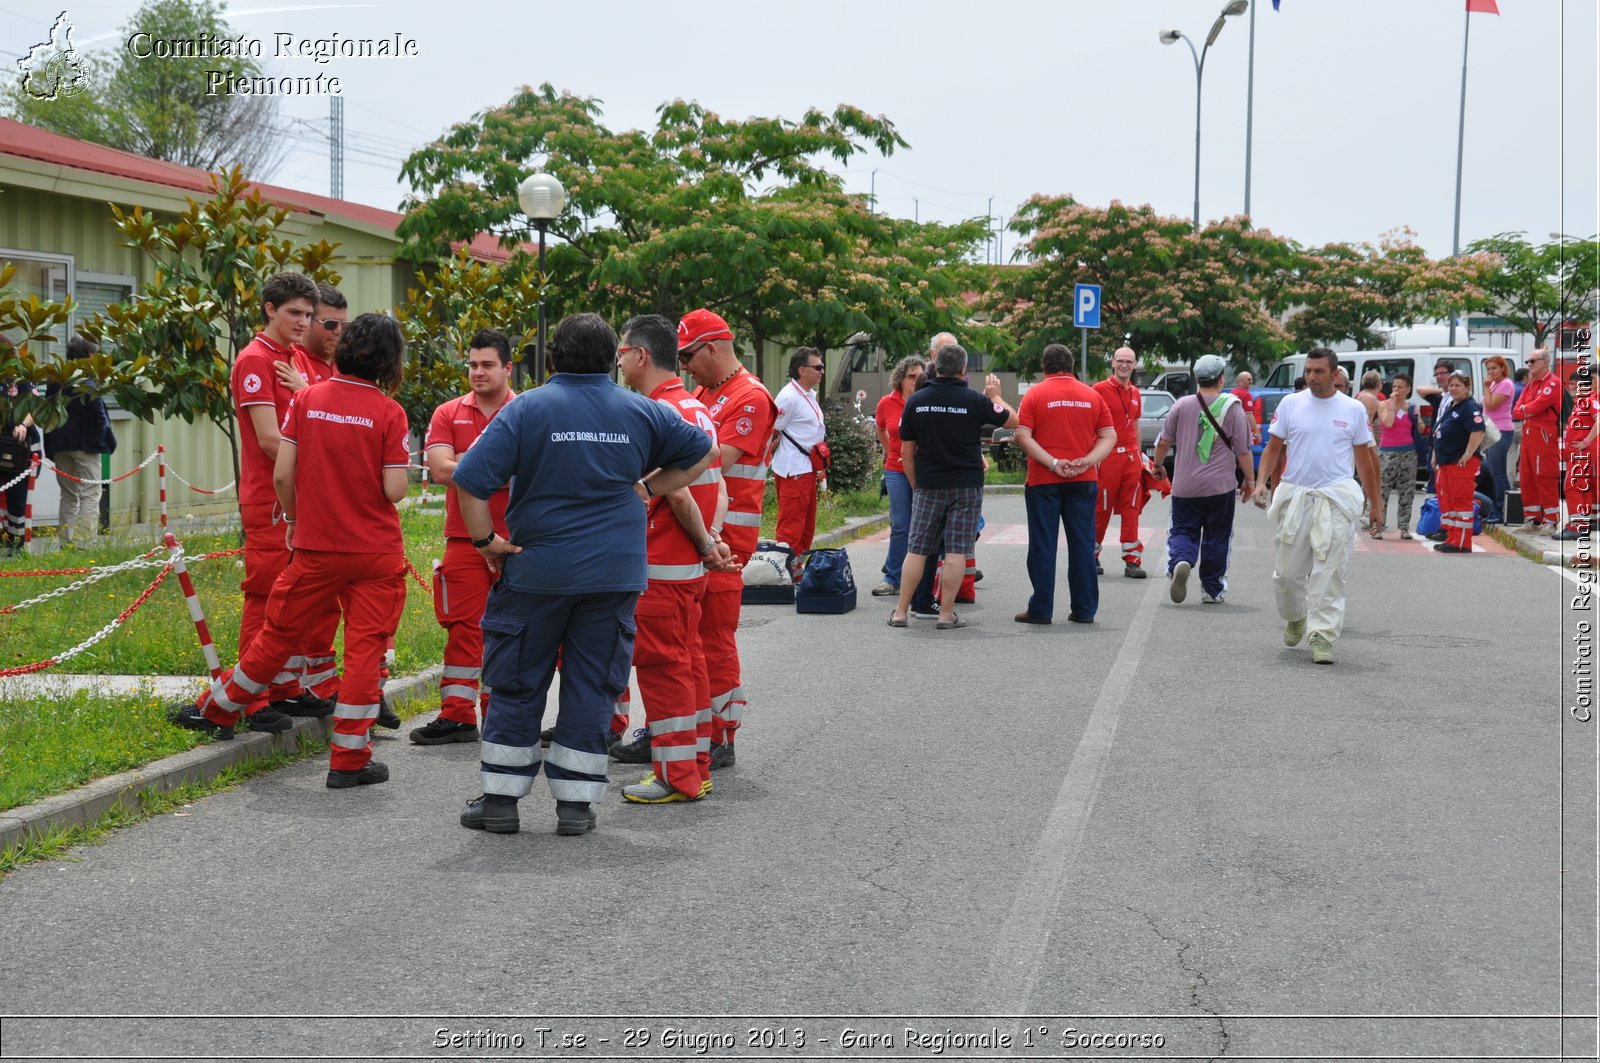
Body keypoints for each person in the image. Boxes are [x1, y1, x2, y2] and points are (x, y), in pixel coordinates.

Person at [451, 312, 716, 836]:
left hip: (536, 571)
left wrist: (488, 543)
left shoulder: (527, 408)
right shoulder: (640, 410)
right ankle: (575, 805)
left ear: (552, 360)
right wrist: (647, 488)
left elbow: (469, 481)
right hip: (614, 575)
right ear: (608, 361)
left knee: (517, 682)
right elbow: (704, 454)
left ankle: (502, 801)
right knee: (593, 685)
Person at [170, 314, 413, 788]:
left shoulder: (306, 399)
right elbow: (395, 489)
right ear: (389, 360)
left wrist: (296, 520)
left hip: (315, 546)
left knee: (277, 634)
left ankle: (218, 710)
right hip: (375, 553)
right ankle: (349, 759)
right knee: (365, 653)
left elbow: (283, 475)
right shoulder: (389, 412)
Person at [611, 313, 736, 803]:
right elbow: (716, 483)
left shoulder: (656, 413)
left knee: (663, 671)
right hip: (687, 567)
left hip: (663, 565)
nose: (618, 361)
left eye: (622, 352)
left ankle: (676, 775)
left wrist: (705, 542)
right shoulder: (697, 408)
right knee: (689, 662)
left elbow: (677, 494)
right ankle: (695, 764)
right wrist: (711, 541)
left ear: (642, 356)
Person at [411, 328, 517, 746]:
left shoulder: (526, 409)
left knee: (513, 630)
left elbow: (535, 469)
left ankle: (500, 715)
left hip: (518, 539)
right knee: (463, 628)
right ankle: (457, 717)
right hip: (463, 541)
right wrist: (500, 469)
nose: (478, 372)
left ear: (507, 368)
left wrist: (466, 465)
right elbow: (439, 470)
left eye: (488, 365)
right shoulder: (447, 412)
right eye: (472, 365)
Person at [679, 308, 776, 769]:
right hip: (693, 532)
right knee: (684, 639)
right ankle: (690, 726)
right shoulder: (705, 391)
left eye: (687, 355)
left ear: (712, 348)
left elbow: (710, 457)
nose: (683, 366)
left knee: (713, 639)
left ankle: (722, 734)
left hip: (726, 539)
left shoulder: (751, 397)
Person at [228, 270, 323, 730]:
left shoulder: (296, 357)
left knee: (296, 595)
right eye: (294, 313)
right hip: (269, 497)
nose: (304, 321)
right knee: (264, 595)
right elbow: (269, 439)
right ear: (270, 309)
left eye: (308, 314)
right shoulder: (254, 360)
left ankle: (285, 686)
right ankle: (250, 698)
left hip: (300, 493)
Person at [1252, 347, 1382, 665]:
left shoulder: (1352, 410)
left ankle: (1322, 635)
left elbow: (1365, 461)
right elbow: (1272, 448)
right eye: (1309, 370)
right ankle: (1295, 616)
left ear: (1335, 374)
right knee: (1287, 575)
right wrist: (1260, 483)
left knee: (1330, 572)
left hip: (1335, 498)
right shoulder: (1291, 404)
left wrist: (1375, 504)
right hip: (1297, 497)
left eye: (1319, 371)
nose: (1311, 377)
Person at [888, 343, 1016, 629]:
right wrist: (996, 396)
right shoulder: (974, 400)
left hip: (928, 484)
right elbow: (1013, 420)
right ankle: (946, 614)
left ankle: (900, 612)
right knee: (957, 550)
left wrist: (915, 484)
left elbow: (906, 452)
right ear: (963, 370)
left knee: (917, 549)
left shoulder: (916, 401)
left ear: (936, 367)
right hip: (966, 486)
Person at [281, 282, 354, 713]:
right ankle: (286, 687)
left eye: (343, 325)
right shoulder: (293, 363)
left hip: (338, 506)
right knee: (292, 605)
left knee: (330, 608)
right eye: (327, 323)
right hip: (300, 504)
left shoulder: (332, 368)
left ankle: (325, 684)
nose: (335, 332)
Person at [1009, 342, 1112, 625]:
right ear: (1071, 366)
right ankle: (1085, 609)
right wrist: (1087, 461)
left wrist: (1053, 463)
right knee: (1082, 544)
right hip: (1084, 479)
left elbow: (1022, 435)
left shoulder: (1035, 394)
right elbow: (1109, 436)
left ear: (1044, 367)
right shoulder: (1092, 395)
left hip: (1044, 480)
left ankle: (1041, 609)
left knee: (1043, 544)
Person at [1152, 354, 1253, 605]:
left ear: (1196, 378)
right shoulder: (1234, 407)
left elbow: (1164, 441)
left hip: (1185, 486)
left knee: (1183, 530)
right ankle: (1211, 589)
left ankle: (1181, 561)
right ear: (1221, 378)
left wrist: (1157, 465)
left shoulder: (1181, 405)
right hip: (1221, 487)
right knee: (1217, 536)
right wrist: (1250, 480)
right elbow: (1243, 450)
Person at [42, 337, 116, 548]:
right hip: (86, 446)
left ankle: (66, 543)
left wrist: (51, 446)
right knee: (90, 494)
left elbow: (48, 412)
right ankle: (84, 545)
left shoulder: (56, 379)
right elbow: (98, 414)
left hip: (60, 445)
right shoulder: (88, 380)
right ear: (86, 357)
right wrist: (104, 440)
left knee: (68, 494)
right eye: (94, 356)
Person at [1092, 346, 1150, 579]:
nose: (1124, 365)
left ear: (1135, 364)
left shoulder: (1135, 392)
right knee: (1101, 507)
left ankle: (1132, 560)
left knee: (1132, 507)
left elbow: (1135, 425)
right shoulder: (1099, 390)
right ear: (1113, 363)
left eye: (1129, 361)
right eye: (1120, 361)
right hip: (1108, 456)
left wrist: (1140, 455)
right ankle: (1091, 555)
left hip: (1131, 457)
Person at [871, 354, 926, 596]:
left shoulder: (926, 400)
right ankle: (892, 578)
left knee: (923, 524)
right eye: (911, 376)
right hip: (895, 468)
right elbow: (881, 427)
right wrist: (888, 449)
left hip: (923, 468)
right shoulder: (887, 402)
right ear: (901, 379)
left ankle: (922, 578)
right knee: (901, 523)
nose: (915, 380)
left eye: (919, 376)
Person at [771, 347, 827, 561]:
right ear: (802, 370)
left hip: (807, 468)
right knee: (791, 528)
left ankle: (795, 571)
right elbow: (771, 432)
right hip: (793, 470)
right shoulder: (788, 397)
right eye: (818, 367)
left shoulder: (808, 394)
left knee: (805, 527)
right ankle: (781, 576)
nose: (822, 371)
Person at [1431, 372, 1486, 553]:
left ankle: (1462, 542)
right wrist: (1435, 455)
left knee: (1461, 502)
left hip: (1460, 462)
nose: (1453, 388)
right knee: (1451, 502)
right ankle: (1452, 538)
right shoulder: (1452, 405)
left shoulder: (1470, 407)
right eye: (1451, 385)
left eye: (1458, 385)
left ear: (1467, 387)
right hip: (1446, 461)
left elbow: (1478, 431)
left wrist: (1468, 453)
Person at [1512, 348, 1562, 533]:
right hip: (1528, 436)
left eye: (1533, 361)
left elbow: (1538, 405)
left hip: (1544, 437)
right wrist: (1528, 409)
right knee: (1526, 478)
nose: (1529, 365)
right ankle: (1532, 519)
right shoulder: (1530, 385)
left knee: (1545, 477)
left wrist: (1527, 409)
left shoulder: (1553, 383)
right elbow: (1516, 410)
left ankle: (1551, 520)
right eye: (1528, 362)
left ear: (1545, 362)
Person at [1374, 373, 1420, 540]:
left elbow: (1420, 429)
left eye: (1400, 387)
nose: (1396, 390)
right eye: (1394, 387)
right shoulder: (1384, 405)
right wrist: (1393, 405)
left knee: (1407, 491)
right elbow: (1388, 423)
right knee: (1382, 490)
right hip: (1387, 452)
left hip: (1408, 452)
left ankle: (1404, 527)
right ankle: (1377, 526)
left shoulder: (1411, 407)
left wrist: (1418, 417)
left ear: (1408, 389)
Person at [1554, 366, 1597, 542]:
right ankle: (1582, 524)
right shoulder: (1581, 402)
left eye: (1575, 383)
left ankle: (1575, 526)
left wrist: (1586, 441)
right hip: (1577, 452)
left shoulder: (1588, 401)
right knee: (1581, 488)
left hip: (1582, 452)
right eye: (1570, 383)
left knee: (1572, 487)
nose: (1571, 387)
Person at [283, 282, 348, 391]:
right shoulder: (290, 363)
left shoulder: (349, 363)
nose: (338, 330)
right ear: (308, 321)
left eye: (345, 324)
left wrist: (304, 390)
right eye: (330, 324)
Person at [1480, 356, 1515, 523]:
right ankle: (1497, 508)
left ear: (1503, 368)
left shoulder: (1506, 384)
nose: (1490, 372)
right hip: (1490, 430)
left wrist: (1486, 387)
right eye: (1488, 369)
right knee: (1494, 473)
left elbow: (1491, 404)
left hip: (1501, 431)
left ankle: (1502, 510)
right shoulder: (1494, 384)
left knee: (1498, 474)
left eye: (1494, 368)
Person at [1230, 370, 1263, 446]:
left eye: (1251, 379)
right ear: (1241, 381)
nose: (1251, 381)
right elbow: (1249, 415)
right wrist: (1257, 433)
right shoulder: (1246, 394)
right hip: (1241, 430)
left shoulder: (1232, 392)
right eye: (1248, 379)